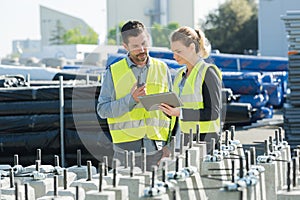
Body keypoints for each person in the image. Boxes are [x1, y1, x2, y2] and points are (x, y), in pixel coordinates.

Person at [97, 20, 174, 170]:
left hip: (157, 151)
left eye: (144, 43)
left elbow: (172, 111)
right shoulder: (113, 72)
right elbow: (102, 110)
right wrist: (131, 100)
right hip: (125, 153)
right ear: (125, 47)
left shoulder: (162, 69)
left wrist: (169, 146)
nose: (142, 49)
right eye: (135, 46)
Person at [159, 26, 222, 152]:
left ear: (192, 48)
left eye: (179, 51)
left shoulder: (208, 72)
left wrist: (180, 112)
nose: (174, 56)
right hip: (183, 140)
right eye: (173, 52)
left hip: (206, 141)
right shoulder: (179, 75)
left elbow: (213, 112)